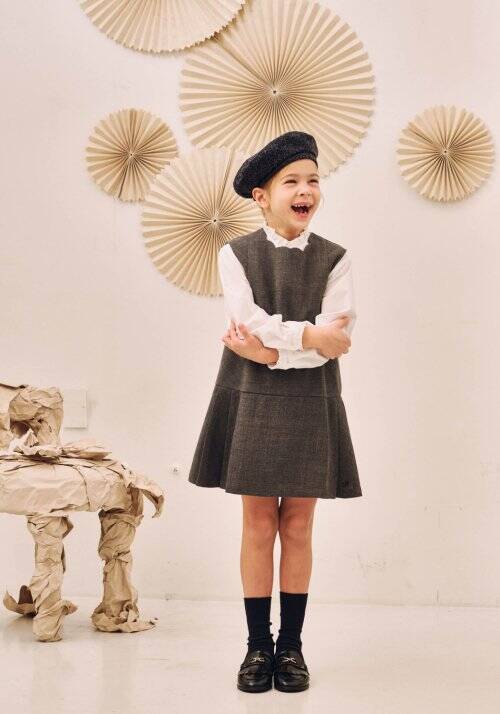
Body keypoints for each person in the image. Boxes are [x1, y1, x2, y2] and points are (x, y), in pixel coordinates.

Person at [188, 130, 362, 693]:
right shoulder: (235, 254)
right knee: (259, 521)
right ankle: (256, 646)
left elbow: (336, 340)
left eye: (313, 180)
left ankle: (291, 646)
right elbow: (249, 321)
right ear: (262, 196)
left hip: (312, 397)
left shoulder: (336, 258)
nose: (306, 190)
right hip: (251, 395)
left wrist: (270, 354)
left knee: (300, 524)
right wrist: (303, 338)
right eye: (292, 181)